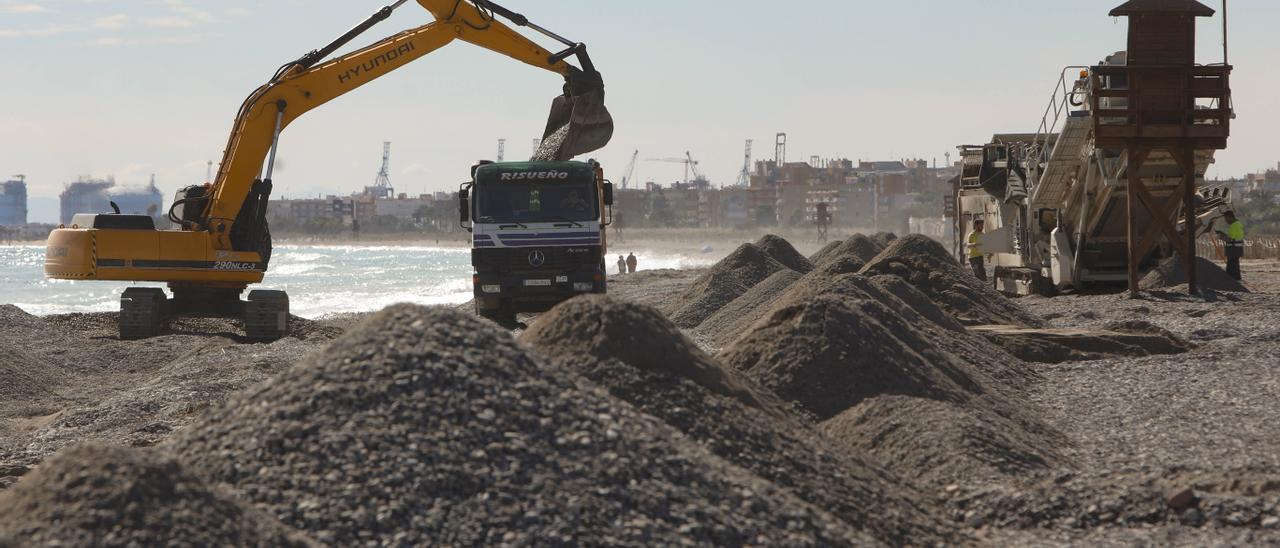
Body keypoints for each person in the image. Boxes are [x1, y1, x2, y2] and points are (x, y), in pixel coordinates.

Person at [1217, 210, 1245, 281]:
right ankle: (1233, 279)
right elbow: (1233, 236)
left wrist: (1221, 237)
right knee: (1233, 265)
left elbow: (1229, 239)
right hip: (1237, 248)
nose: (1226, 221)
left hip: (1233, 249)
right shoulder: (1238, 224)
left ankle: (1233, 280)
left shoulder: (1234, 225)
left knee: (1232, 266)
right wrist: (1223, 234)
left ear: (1230, 217)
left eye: (1226, 219)